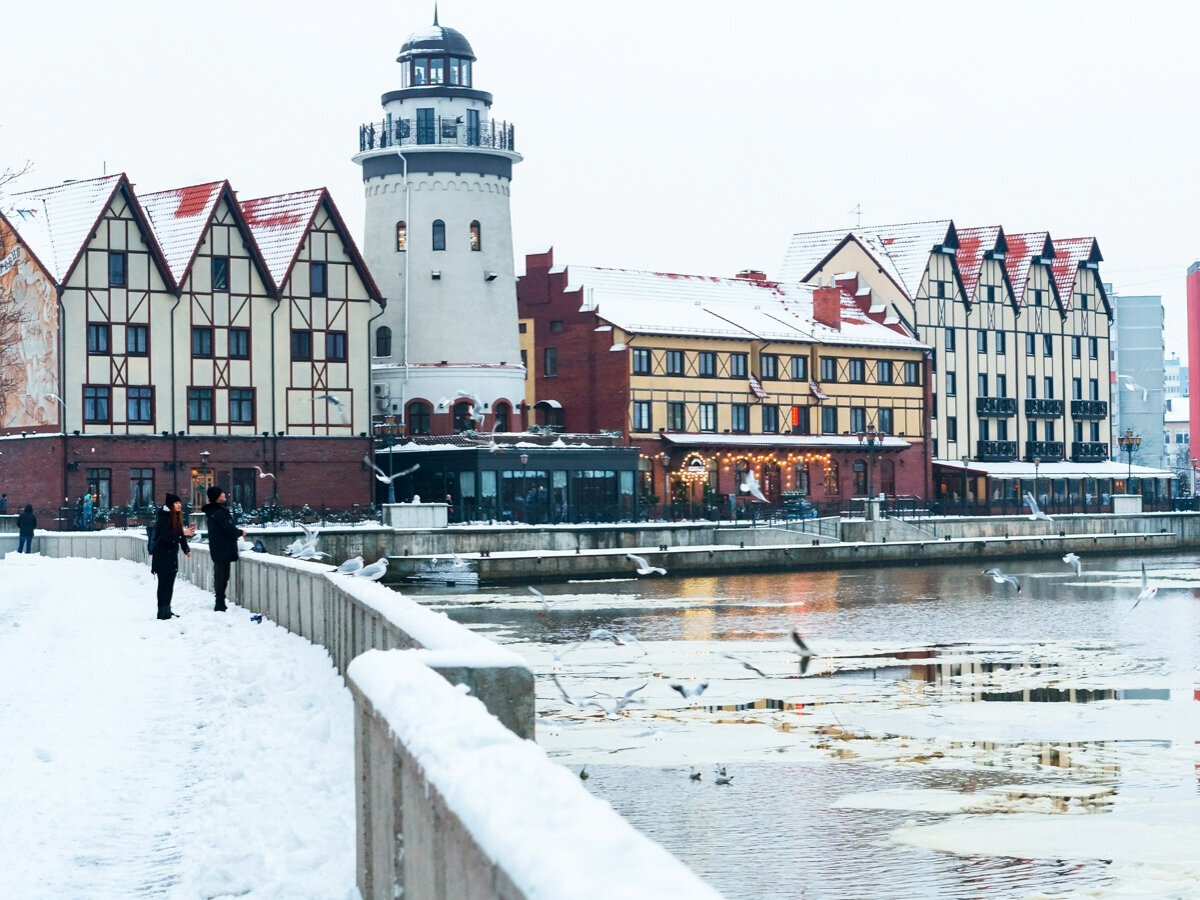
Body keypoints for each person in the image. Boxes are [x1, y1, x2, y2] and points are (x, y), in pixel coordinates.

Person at [150, 492, 195, 620]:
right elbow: (167, 535)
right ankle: (162, 611)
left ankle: (166, 609)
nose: (179, 505)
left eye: (180, 502)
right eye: (176, 503)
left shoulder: (175, 517)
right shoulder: (164, 518)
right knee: (163, 583)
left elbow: (179, 536)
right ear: (170, 505)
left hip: (170, 556)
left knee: (169, 583)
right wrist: (183, 533)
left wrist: (186, 548)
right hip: (162, 555)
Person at [201, 486, 245, 612]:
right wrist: (240, 532)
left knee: (221, 575)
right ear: (216, 497)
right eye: (222, 493)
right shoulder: (219, 512)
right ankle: (219, 603)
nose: (225, 494)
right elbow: (228, 529)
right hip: (223, 548)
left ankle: (220, 601)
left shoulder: (213, 511)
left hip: (218, 547)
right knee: (222, 576)